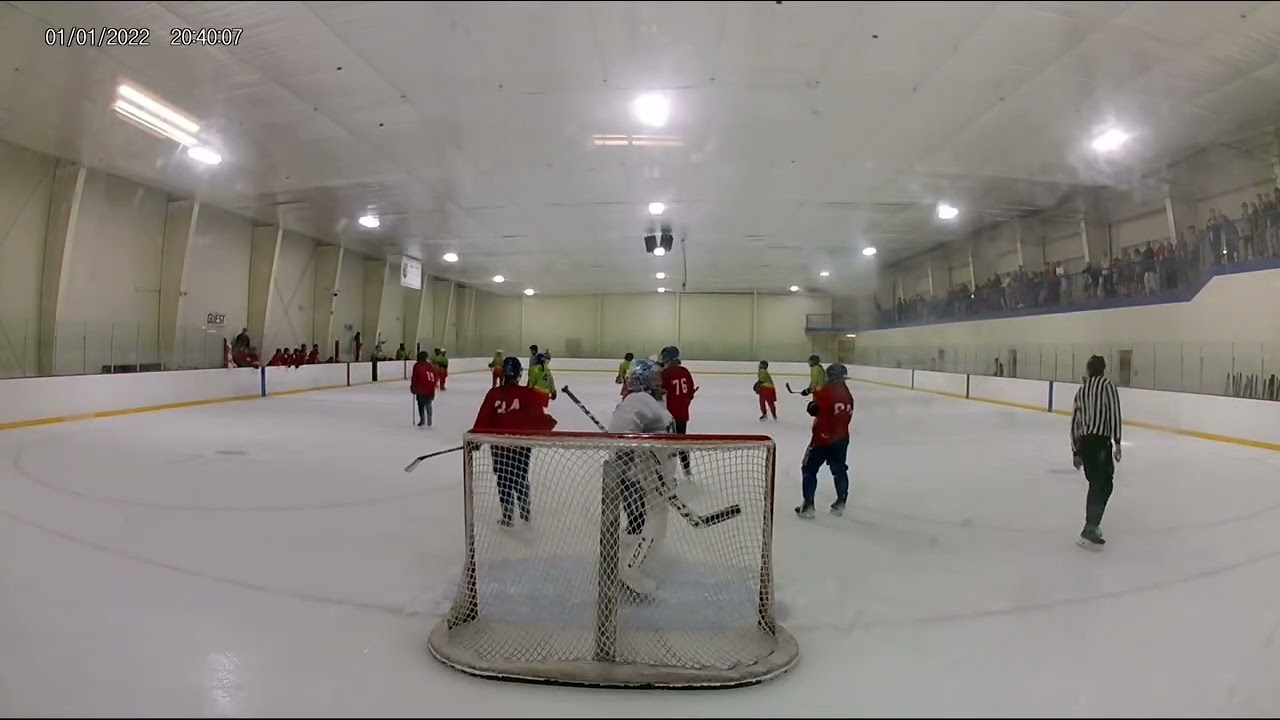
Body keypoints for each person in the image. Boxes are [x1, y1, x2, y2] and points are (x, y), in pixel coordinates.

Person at [605, 358, 675, 594]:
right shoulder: (638, 399)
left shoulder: (650, 400)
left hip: (657, 473)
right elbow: (620, 432)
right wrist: (640, 459)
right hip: (648, 474)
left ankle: (635, 564)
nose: (658, 381)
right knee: (654, 520)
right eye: (654, 378)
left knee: (656, 521)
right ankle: (630, 569)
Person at [472, 357, 558, 527]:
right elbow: (538, 419)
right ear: (519, 374)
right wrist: (549, 423)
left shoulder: (493, 393)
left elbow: (484, 418)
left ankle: (507, 516)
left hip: (499, 449)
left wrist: (476, 440)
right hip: (521, 447)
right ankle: (525, 512)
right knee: (520, 478)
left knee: (503, 480)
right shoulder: (527, 394)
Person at [1071, 354, 1123, 549]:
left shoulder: (1081, 390)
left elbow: (1074, 422)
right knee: (1104, 484)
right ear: (1103, 369)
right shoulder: (1107, 386)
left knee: (1096, 483)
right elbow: (1114, 412)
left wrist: (1075, 451)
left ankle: (1092, 524)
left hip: (1085, 443)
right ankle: (1090, 526)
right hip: (1101, 443)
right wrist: (1117, 442)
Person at [796, 363, 854, 519]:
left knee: (808, 469)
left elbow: (815, 408)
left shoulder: (827, 391)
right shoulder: (848, 395)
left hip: (822, 438)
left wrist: (812, 406)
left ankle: (808, 505)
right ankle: (841, 501)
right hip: (841, 439)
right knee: (839, 469)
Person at [659, 346, 696, 482]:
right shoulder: (685, 372)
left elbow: (659, 392)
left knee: (668, 445)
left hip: (668, 416)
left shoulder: (665, 373)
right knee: (682, 442)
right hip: (682, 414)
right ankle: (687, 471)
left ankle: (667, 474)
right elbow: (690, 393)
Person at [410, 351, 438, 428]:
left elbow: (414, 377)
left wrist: (413, 387)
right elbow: (435, 376)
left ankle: (422, 420)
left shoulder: (417, 365)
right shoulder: (430, 365)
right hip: (430, 388)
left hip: (421, 388)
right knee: (429, 404)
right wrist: (434, 385)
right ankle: (429, 420)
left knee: (421, 405)